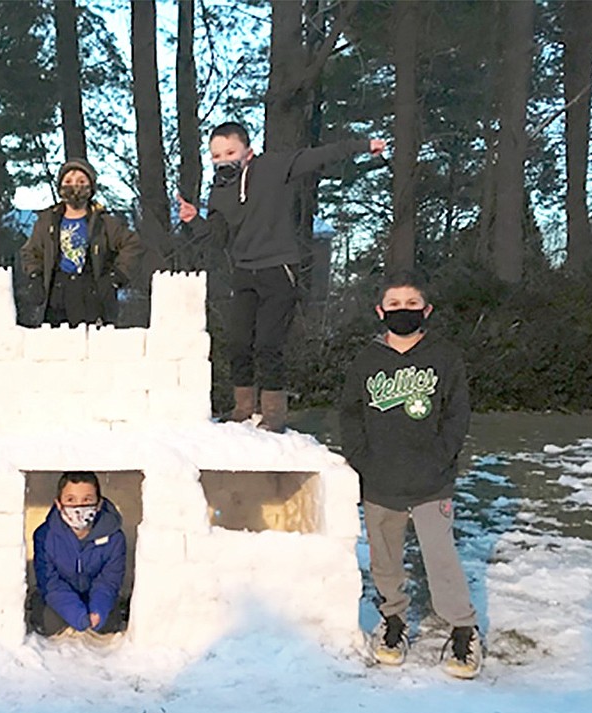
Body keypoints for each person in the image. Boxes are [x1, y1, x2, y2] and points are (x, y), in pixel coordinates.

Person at [178, 122, 387, 431]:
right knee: (238, 342)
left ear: (247, 152)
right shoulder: (219, 192)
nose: (224, 160)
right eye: (217, 156)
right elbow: (216, 238)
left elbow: (319, 155)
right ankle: (243, 407)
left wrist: (362, 145)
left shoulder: (273, 167)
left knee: (267, 343)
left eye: (230, 152)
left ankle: (274, 414)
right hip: (244, 272)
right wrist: (193, 220)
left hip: (278, 268)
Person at [339, 271, 483, 680]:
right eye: (395, 305)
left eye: (412, 304)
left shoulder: (445, 357)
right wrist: (361, 458)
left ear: (427, 310)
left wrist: (440, 455)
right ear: (380, 311)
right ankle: (394, 620)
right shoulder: (366, 361)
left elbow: (457, 414)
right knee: (385, 557)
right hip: (380, 477)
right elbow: (350, 414)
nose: (404, 311)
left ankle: (462, 627)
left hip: (431, 479)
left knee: (441, 556)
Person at [19, 159, 140, 327]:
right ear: (60, 186)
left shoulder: (104, 222)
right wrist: (35, 276)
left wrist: (116, 276)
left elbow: (132, 244)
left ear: (91, 187)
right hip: (57, 294)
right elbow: (30, 252)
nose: (74, 186)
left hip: (92, 294)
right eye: (68, 181)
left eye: (81, 181)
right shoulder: (47, 221)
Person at [31, 472, 127, 636]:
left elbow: (109, 580)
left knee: (109, 625)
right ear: (59, 504)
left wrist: (98, 610)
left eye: (87, 500)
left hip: (95, 596)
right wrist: (76, 614)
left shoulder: (114, 537)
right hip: (60, 598)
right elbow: (50, 582)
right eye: (71, 500)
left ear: (98, 504)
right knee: (50, 624)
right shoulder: (45, 536)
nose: (79, 507)